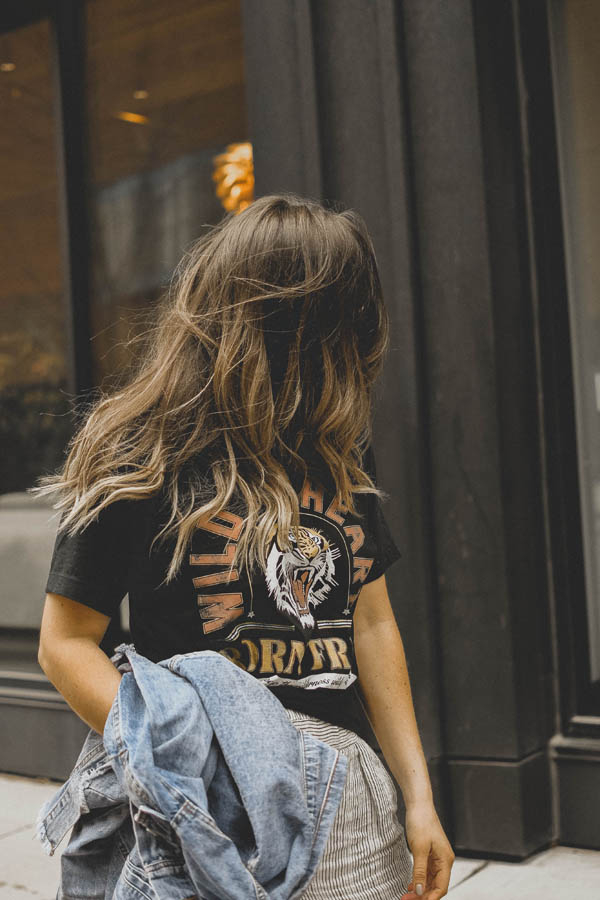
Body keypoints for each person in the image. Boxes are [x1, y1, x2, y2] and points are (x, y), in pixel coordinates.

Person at [33, 192, 454, 899]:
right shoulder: (139, 448)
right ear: (293, 322)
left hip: (347, 790)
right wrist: (184, 757)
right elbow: (64, 643)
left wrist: (418, 794)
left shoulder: (335, 443)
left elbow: (372, 623)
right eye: (343, 323)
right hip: (211, 802)